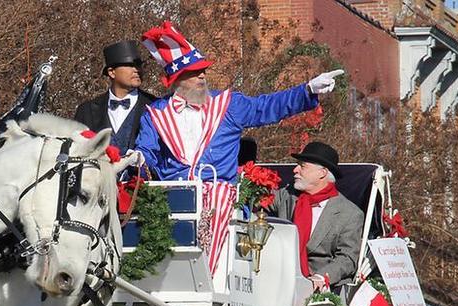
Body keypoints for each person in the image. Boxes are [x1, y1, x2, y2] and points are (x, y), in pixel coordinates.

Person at [135, 21, 343, 273]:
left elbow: (266, 107)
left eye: (203, 71)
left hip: (221, 200)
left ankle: (210, 279)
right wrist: (137, 160)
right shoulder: (156, 114)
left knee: (219, 211)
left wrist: (307, 90)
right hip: (174, 203)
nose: (203, 76)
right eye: (194, 72)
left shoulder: (227, 105)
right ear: (177, 80)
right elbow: (147, 154)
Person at [268, 141, 364, 292]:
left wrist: (321, 277)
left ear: (322, 173)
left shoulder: (349, 214)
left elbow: (347, 258)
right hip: (278, 278)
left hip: (320, 289)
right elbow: (256, 202)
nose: (295, 170)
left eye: (302, 166)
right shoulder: (287, 196)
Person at [75, 40, 156, 156]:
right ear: (112, 72)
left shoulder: (155, 107)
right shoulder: (86, 110)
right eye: (129, 65)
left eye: (138, 65)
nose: (137, 70)